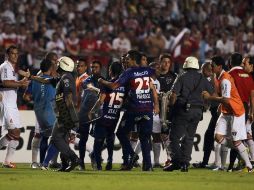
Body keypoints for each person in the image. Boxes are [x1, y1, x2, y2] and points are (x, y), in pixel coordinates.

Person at [99, 50, 159, 171]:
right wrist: (156, 105)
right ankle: (147, 166)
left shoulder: (129, 72)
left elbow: (114, 86)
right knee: (145, 138)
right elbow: (153, 85)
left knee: (121, 133)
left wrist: (102, 81)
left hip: (134, 109)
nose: (126, 60)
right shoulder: (147, 71)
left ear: (133, 59)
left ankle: (132, 155)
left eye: (127, 58)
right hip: (147, 109)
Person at [202, 55, 253, 172]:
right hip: (226, 112)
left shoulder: (225, 79)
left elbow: (226, 99)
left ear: (219, 66)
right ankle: (242, 147)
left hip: (236, 112)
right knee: (218, 137)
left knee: (235, 141)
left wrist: (210, 98)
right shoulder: (217, 77)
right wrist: (208, 99)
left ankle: (249, 166)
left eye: (213, 65)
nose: (211, 67)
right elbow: (217, 95)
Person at [164, 56, 214, 172]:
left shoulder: (181, 77)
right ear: (196, 65)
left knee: (173, 138)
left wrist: (170, 107)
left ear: (186, 65)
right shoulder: (203, 78)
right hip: (198, 112)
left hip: (183, 110)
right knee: (189, 138)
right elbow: (211, 93)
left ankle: (177, 161)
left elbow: (174, 95)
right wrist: (205, 104)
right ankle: (185, 163)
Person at [89, 61, 125, 170]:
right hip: (115, 117)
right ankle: (110, 161)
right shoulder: (123, 85)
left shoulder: (106, 83)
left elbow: (101, 100)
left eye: (109, 69)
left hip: (103, 116)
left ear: (111, 71)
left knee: (98, 141)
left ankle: (98, 165)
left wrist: (91, 111)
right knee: (110, 139)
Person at [23, 58, 56, 167]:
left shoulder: (34, 81)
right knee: (57, 137)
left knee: (42, 136)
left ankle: (41, 162)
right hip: (51, 112)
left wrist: (36, 100)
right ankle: (49, 162)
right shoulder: (53, 81)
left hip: (39, 112)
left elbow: (26, 97)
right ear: (51, 68)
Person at [0, 45, 29, 168]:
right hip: (6, 103)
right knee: (14, 131)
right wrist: (20, 83)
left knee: (16, 134)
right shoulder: (5, 66)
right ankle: (7, 161)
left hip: (12, 104)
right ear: (7, 55)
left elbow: (18, 72)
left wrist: (25, 76)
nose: (15, 55)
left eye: (17, 53)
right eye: (13, 53)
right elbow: (5, 82)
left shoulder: (12, 67)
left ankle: (7, 162)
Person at [227, 53, 254, 171]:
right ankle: (249, 161)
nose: (243, 65)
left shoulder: (230, 75)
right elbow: (252, 96)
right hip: (247, 108)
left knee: (235, 137)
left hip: (237, 108)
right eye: (242, 63)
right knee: (246, 135)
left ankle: (247, 162)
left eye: (245, 63)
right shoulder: (248, 76)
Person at [192, 61, 219, 169]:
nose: (201, 72)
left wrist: (206, 102)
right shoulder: (208, 79)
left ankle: (215, 163)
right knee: (210, 135)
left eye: (204, 69)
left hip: (219, 111)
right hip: (215, 111)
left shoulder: (212, 80)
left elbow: (214, 95)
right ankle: (206, 162)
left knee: (215, 136)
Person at [78, 60, 102, 170]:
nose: (94, 69)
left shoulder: (103, 80)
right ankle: (81, 162)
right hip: (85, 113)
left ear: (100, 68)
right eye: (92, 67)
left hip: (98, 113)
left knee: (100, 139)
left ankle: (95, 158)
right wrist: (100, 90)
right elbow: (88, 86)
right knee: (83, 138)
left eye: (96, 67)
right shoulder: (87, 80)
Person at [157, 53, 177, 168]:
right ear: (160, 63)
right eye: (164, 62)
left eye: (168, 62)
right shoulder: (155, 76)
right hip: (155, 108)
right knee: (152, 134)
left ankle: (170, 158)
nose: (166, 64)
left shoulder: (174, 76)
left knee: (165, 134)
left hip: (168, 109)